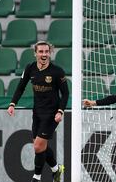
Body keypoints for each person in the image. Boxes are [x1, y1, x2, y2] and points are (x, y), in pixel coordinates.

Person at [7, 41, 68, 182]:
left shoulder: (57, 71)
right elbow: (20, 87)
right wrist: (12, 104)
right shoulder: (30, 68)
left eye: (46, 51)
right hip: (37, 113)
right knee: (41, 146)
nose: (44, 54)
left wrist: (60, 111)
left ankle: (37, 177)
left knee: (37, 146)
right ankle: (56, 169)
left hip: (52, 114)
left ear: (50, 52)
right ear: (35, 53)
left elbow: (65, 94)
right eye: (41, 52)